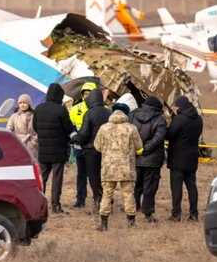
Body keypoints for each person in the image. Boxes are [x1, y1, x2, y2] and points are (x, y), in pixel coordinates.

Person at [94, 103, 143, 231]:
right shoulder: (131, 128)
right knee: (128, 195)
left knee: (106, 194)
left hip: (108, 168)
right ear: (126, 113)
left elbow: (97, 147)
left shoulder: (103, 128)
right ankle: (131, 223)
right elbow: (139, 147)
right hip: (126, 168)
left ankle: (104, 224)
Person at [32, 83, 75, 214]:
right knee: (57, 178)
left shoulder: (39, 108)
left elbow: (35, 127)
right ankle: (55, 205)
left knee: (42, 178)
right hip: (58, 150)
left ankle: (39, 205)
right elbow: (68, 128)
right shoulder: (61, 110)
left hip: (43, 150)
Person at [71, 89, 110, 212]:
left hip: (91, 150)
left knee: (94, 176)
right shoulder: (109, 112)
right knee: (106, 177)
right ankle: (108, 200)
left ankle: (98, 200)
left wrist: (75, 139)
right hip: (107, 150)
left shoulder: (89, 113)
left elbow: (84, 133)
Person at [166, 96, 203, 222]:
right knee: (192, 187)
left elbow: (170, 135)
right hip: (192, 157)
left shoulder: (179, 119)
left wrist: (170, 121)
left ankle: (176, 214)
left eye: (176, 107)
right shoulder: (198, 119)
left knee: (176, 188)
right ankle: (194, 213)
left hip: (177, 158)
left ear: (180, 106)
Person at [131, 97, 167, 222]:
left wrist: (137, 149)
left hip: (135, 157)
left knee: (136, 185)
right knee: (150, 187)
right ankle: (148, 213)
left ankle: (134, 208)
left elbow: (129, 132)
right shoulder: (160, 119)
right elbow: (158, 138)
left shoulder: (133, 115)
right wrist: (145, 149)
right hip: (152, 160)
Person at [68, 82, 96, 209]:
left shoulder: (99, 109)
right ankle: (80, 199)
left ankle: (98, 198)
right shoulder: (75, 108)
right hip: (80, 145)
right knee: (81, 174)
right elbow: (71, 126)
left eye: (89, 93)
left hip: (94, 147)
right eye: (85, 93)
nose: (87, 96)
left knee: (95, 174)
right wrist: (75, 139)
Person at [7, 94, 38, 159]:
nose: (22, 105)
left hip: (32, 146)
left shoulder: (34, 116)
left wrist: (34, 142)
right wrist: (14, 140)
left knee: (32, 165)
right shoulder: (14, 116)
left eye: (24, 103)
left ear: (29, 104)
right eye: (20, 103)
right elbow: (9, 130)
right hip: (18, 144)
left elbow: (38, 130)